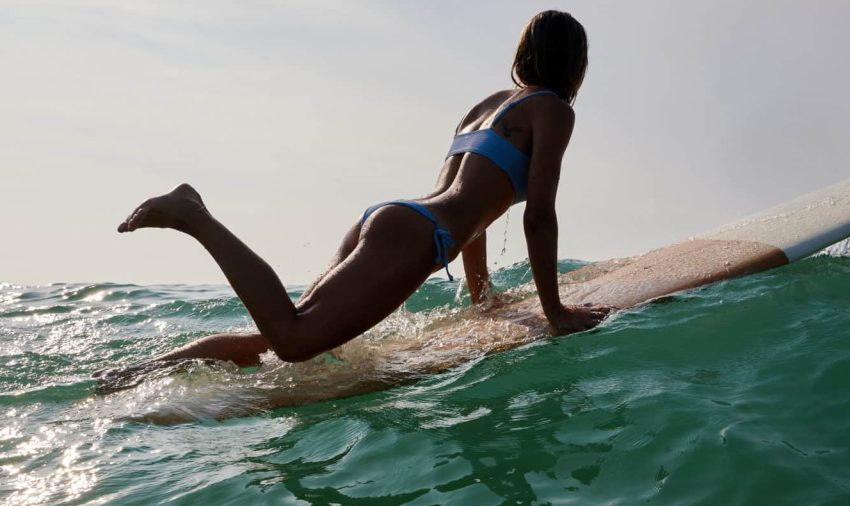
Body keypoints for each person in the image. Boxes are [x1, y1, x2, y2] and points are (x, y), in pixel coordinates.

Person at [114, 10, 611, 371]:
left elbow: (473, 212)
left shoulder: (488, 105)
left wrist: (482, 298)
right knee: (293, 338)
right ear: (574, 64)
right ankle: (194, 216)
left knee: (271, 337)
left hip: (395, 216)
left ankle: (130, 376)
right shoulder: (552, 110)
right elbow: (539, 215)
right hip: (418, 237)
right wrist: (555, 312)